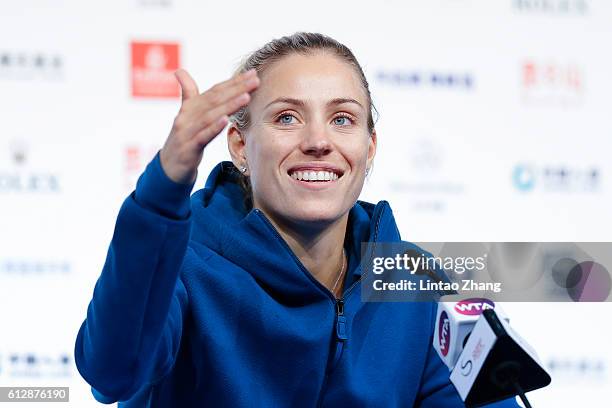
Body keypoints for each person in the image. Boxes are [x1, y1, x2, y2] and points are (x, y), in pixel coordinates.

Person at [74, 32, 519, 407]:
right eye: (287, 117)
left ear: (370, 147)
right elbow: (112, 373)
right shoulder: (184, 265)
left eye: (342, 118)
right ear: (239, 146)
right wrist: (161, 193)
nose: (318, 140)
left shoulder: (417, 283)